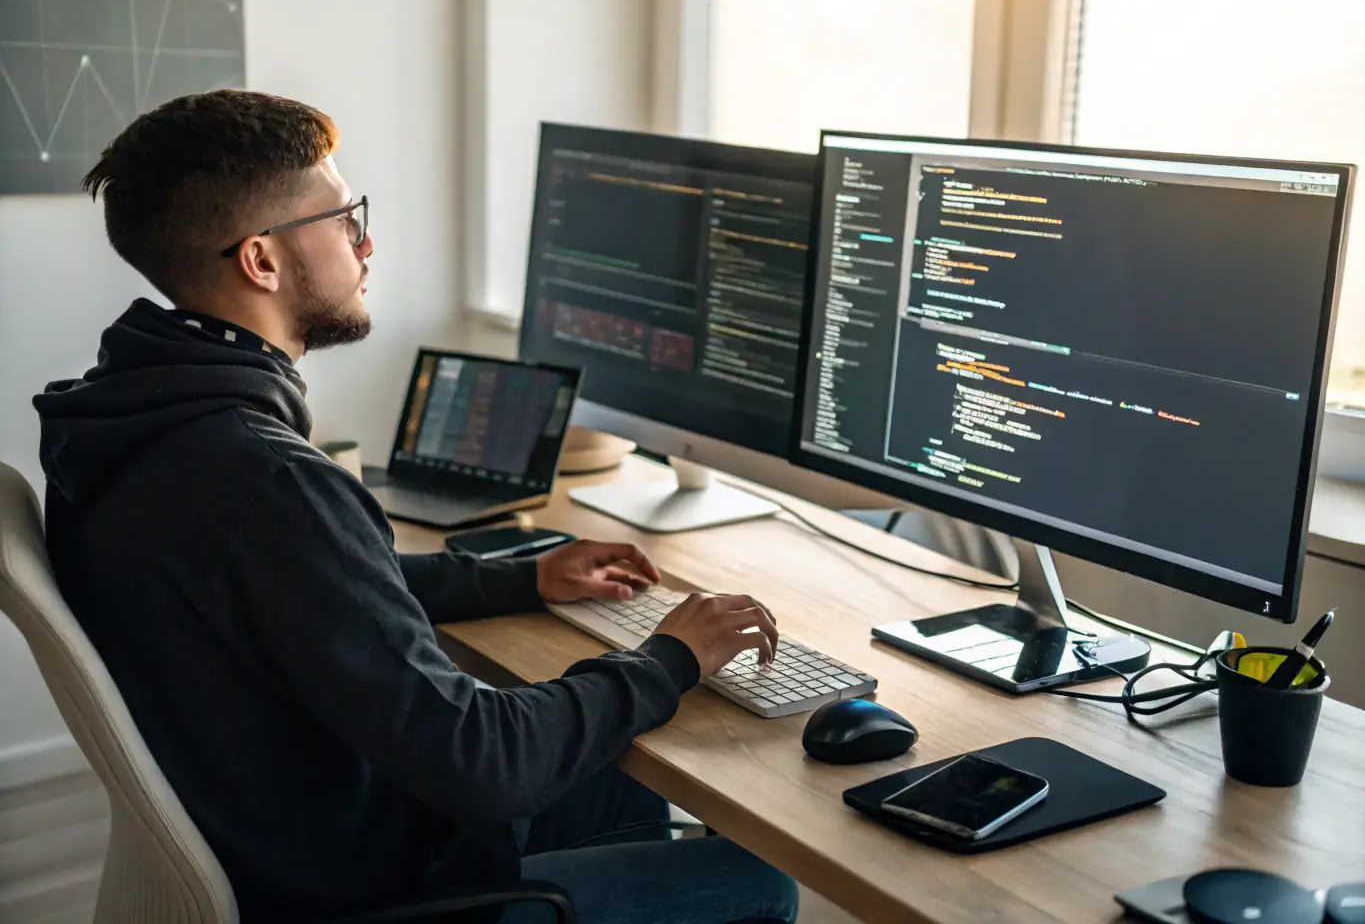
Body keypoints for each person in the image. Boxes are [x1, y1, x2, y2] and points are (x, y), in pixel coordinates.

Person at [33, 91, 798, 924]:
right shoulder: (267, 479)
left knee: (615, 774)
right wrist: (671, 658)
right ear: (261, 261)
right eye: (342, 218)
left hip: (291, 836)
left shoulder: (131, 421)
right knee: (757, 882)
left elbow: (316, 590)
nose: (365, 243)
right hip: (381, 893)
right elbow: (483, 761)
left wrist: (522, 578)